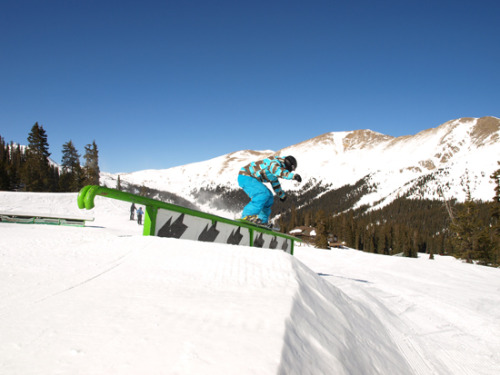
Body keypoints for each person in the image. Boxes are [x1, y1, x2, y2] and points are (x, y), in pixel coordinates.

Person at [238, 155, 301, 225]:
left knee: (269, 197)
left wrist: (281, 195)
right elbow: (278, 171)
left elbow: (275, 184)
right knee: (262, 194)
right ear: (287, 165)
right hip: (245, 176)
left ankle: (262, 220)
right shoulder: (274, 163)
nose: (286, 170)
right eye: (288, 170)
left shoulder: (275, 172)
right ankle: (247, 216)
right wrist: (293, 176)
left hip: (251, 178)